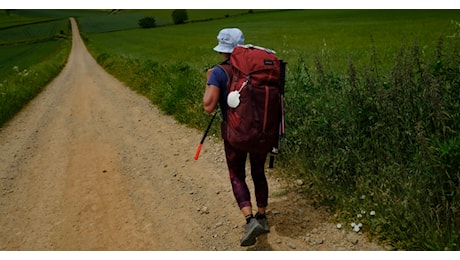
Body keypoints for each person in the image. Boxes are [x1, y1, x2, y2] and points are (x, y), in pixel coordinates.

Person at [203, 28, 270, 247]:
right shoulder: (256, 69)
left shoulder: (218, 72)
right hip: (261, 132)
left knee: (237, 175)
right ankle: (262, 216)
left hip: (235, 135)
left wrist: (209, 81)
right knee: (258, 172)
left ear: (222, 50)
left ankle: (250, 220)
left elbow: (208, 106)